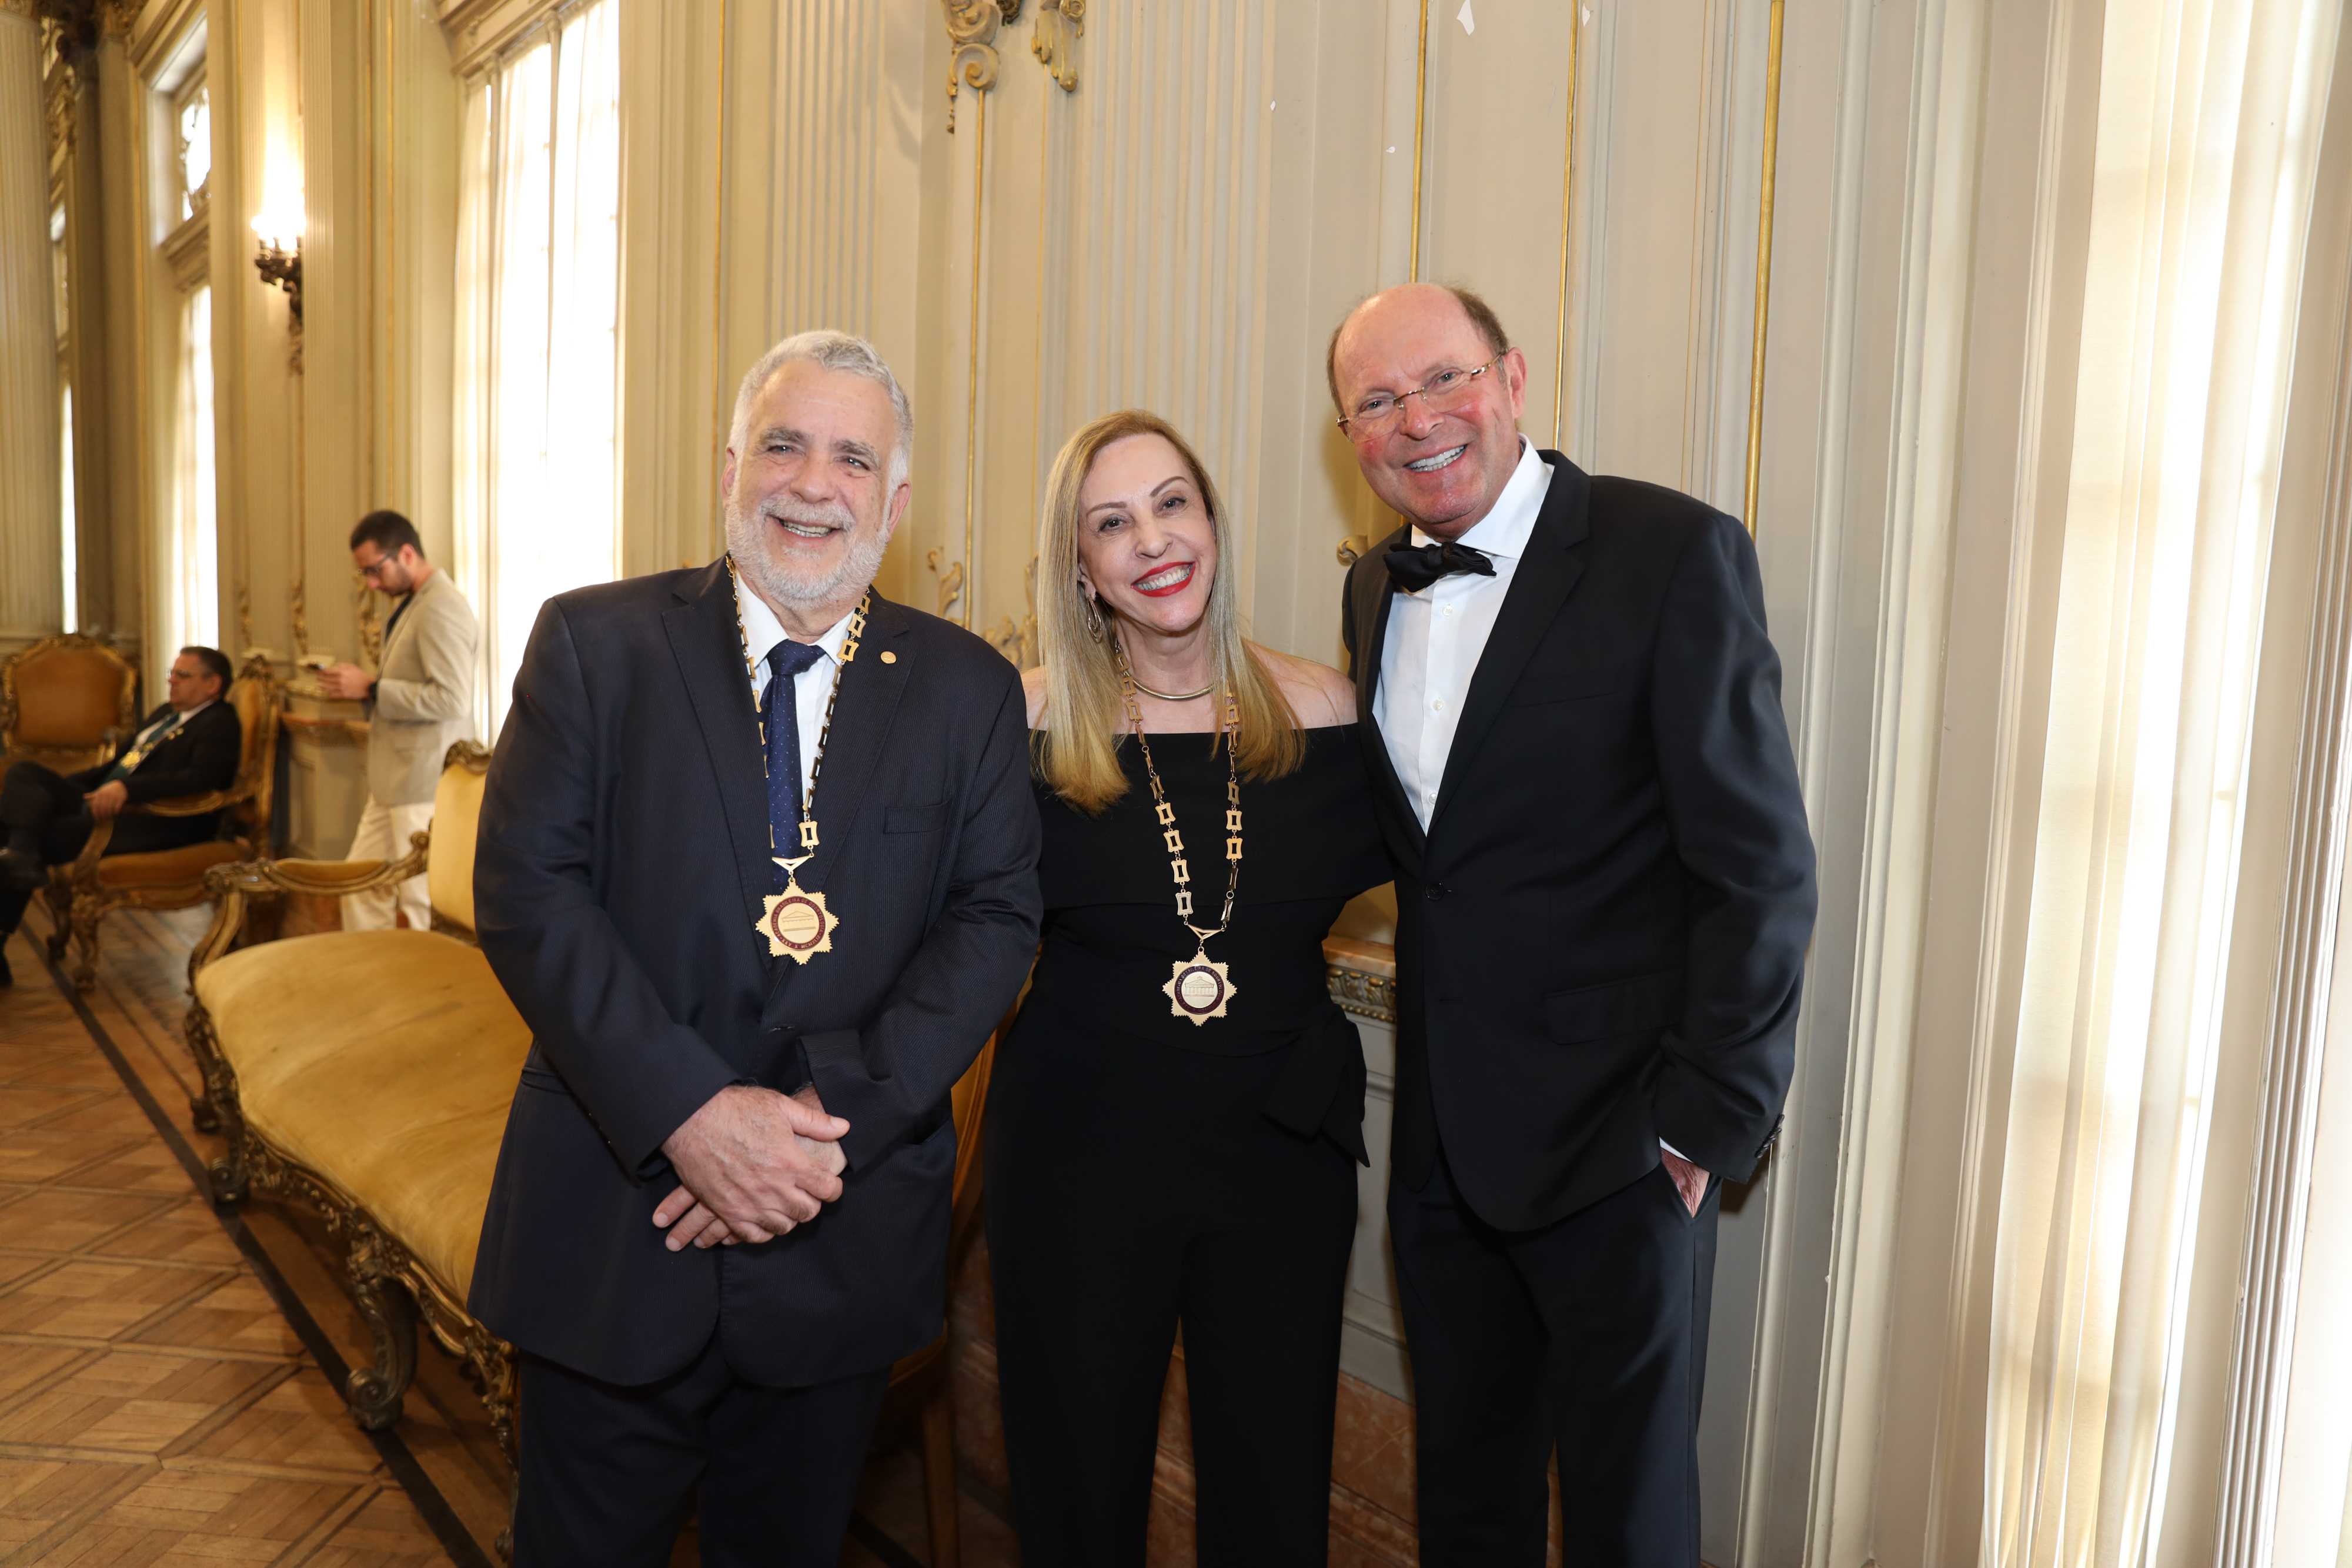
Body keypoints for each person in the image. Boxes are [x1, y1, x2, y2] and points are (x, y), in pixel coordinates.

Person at [468, 330, 1041, 1568]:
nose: (811, 483)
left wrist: (813, 1130)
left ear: (894, 500)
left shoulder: (967, 689)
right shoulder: (594, 644)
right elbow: (526, 890)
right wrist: (688, 1112)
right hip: (616, 1225)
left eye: (852, 458)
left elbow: (996, 918)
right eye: (782, 445)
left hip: (834, 1230)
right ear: (730, 468)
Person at [1330, 283, 1818, 1564]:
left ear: (1510, 379)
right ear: (1351, 438)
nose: (1416, 419)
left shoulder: (1671, 552)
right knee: (1467, 1505)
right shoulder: (1373, 588)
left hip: (1621, 1153)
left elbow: (1759, 868)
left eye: (1443, 378)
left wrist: (1700, 1123)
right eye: (1376, 400)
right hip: (1444, 1157)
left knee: (1628, 1523)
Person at [989, 409, 1387, 1565]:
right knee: (1076, 1486)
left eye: (1172, 503)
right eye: (1111, 522)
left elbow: (1476, 887)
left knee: (1272, 1490)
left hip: (1279, 1153)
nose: (1153, 539)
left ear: (1211, 520)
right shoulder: (1021, 723)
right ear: (1081, 566)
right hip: (1076, 1150)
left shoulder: (1329, 713)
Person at [0, 646, 243, 988]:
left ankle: (19, 863)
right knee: (25, 775)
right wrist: (66, 789)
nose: (172, 681)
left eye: (183, 675)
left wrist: (128, 789)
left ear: (213, 684)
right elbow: (119, 765)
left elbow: (200, 780)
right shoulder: (165, 715)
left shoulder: (219, 722)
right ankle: (21, 854)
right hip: (105, 802)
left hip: (155, 821)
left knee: (17, 833)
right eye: (172, 673)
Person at [316, 510, 479, 931]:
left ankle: (431, 975)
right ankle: (373, 969)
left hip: (424, 780)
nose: (372, 584)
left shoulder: (441, 606)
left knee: (422, 899)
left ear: (407, 553)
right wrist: (366, 689)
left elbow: (452, 699)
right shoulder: (416, 604)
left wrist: (371, 688)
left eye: (375, 570)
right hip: (393, 780)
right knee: (361, 884)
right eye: (365, 574)